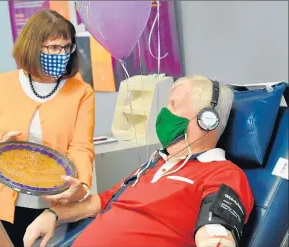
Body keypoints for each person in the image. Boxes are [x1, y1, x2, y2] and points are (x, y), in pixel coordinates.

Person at [23, 75, 254, 247]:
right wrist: (52, 215)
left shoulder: (222, 174)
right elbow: (104, 201)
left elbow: (215, 234)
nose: (164, 113)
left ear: (207, 120)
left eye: (174, 105)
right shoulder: (155, 164)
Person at [0, 10, 95, 247]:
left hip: (55, 210)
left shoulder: (81, 92)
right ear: (33, 47)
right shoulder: (1, 84)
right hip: (6, 209)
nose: (62, 54)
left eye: (66, 47)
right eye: (53, 47)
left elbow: (81, 148)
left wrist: (81, 186)